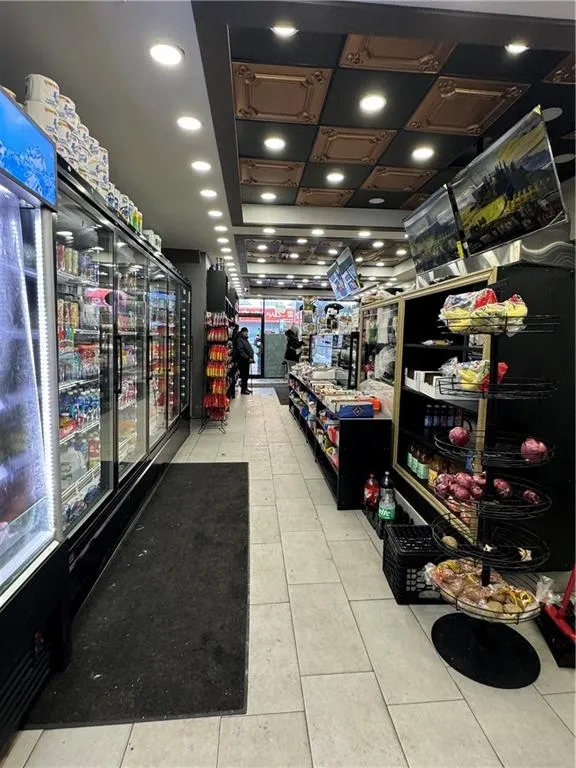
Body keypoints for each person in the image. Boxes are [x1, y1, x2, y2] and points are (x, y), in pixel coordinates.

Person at [235, 327, 254, 395]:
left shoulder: (244, 339)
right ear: (242, 332)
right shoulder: (239, 340)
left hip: (246, 360)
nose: (246, 333)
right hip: (243, 360)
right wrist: (248, 358)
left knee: (246, 375)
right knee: (244, 376)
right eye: (245, 332)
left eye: (247, 332)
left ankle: (245, 388)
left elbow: (247, 348)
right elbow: (241, 351)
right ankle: (243, 390)